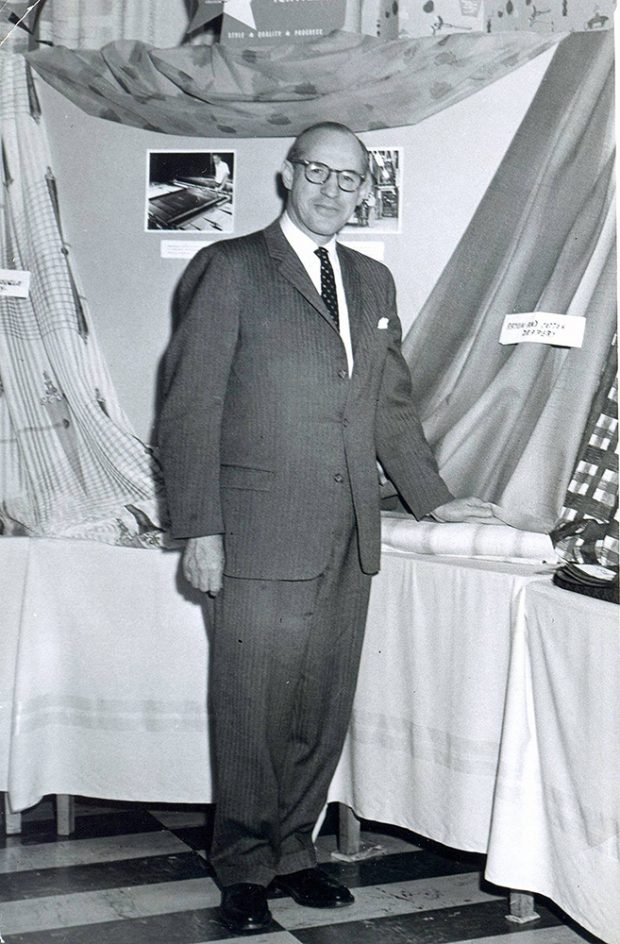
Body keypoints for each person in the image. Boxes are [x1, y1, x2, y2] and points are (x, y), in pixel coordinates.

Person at [158, 121, 497, 935]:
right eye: (318, 172)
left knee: (320, 705)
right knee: (252, 707)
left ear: (364, 190)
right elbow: (189, 411)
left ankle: (294, 852)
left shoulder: (373, 283)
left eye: (349, 179)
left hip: (349, 537)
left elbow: (391, 412)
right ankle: (240, 866)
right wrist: (199, 529)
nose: (332, 190)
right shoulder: (228, 268)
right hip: (255, 532)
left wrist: (434, 496)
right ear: (287, 175)